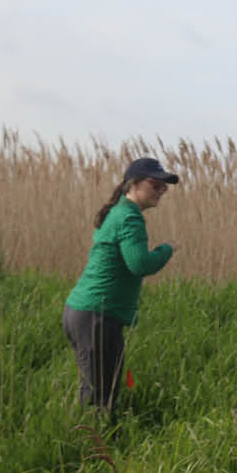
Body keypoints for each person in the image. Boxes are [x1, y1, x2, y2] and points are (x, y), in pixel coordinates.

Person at [62, 157, 180, 414]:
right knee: (99, 397)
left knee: (101, 389)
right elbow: (139, 264)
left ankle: (94, 434)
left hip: (88, 313)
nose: (161, 190)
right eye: (155, 184)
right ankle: (91, 438)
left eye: (164, 187)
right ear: (133, 184)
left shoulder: (120, 212)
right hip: (96, 316)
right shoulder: (129, 216)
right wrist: (166, 249)